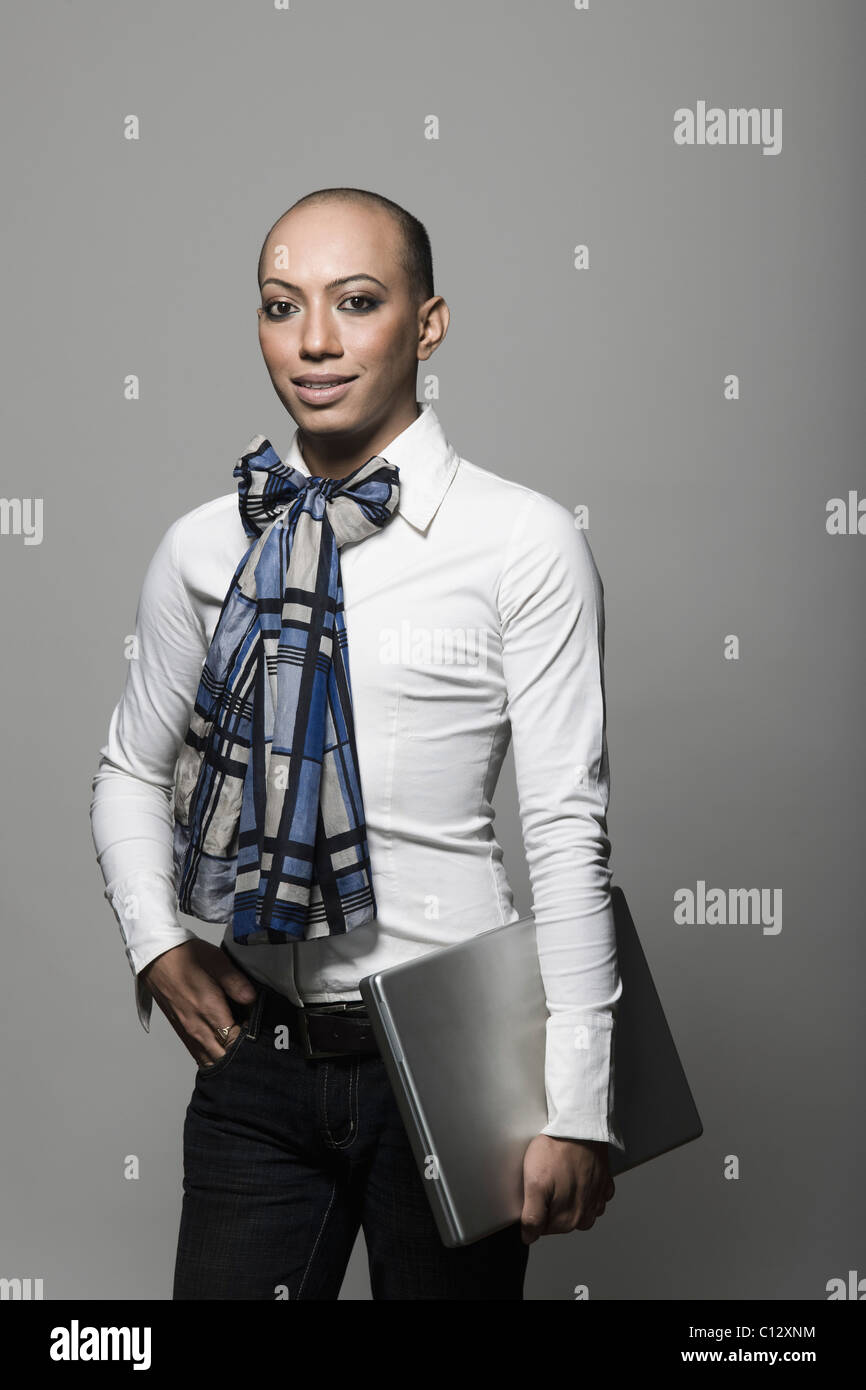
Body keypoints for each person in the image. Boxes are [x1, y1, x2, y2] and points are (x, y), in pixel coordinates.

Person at [89, 186, 623, 1301]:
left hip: (450, 1057)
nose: (316, 341)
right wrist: (156, 943)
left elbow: (565, 827)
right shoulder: (203, 544)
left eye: (358, 301)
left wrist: (577, 1102)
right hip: (259, 1061)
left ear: (427, 323)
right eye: (282, 306)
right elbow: (132, 771)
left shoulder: (519, 542)